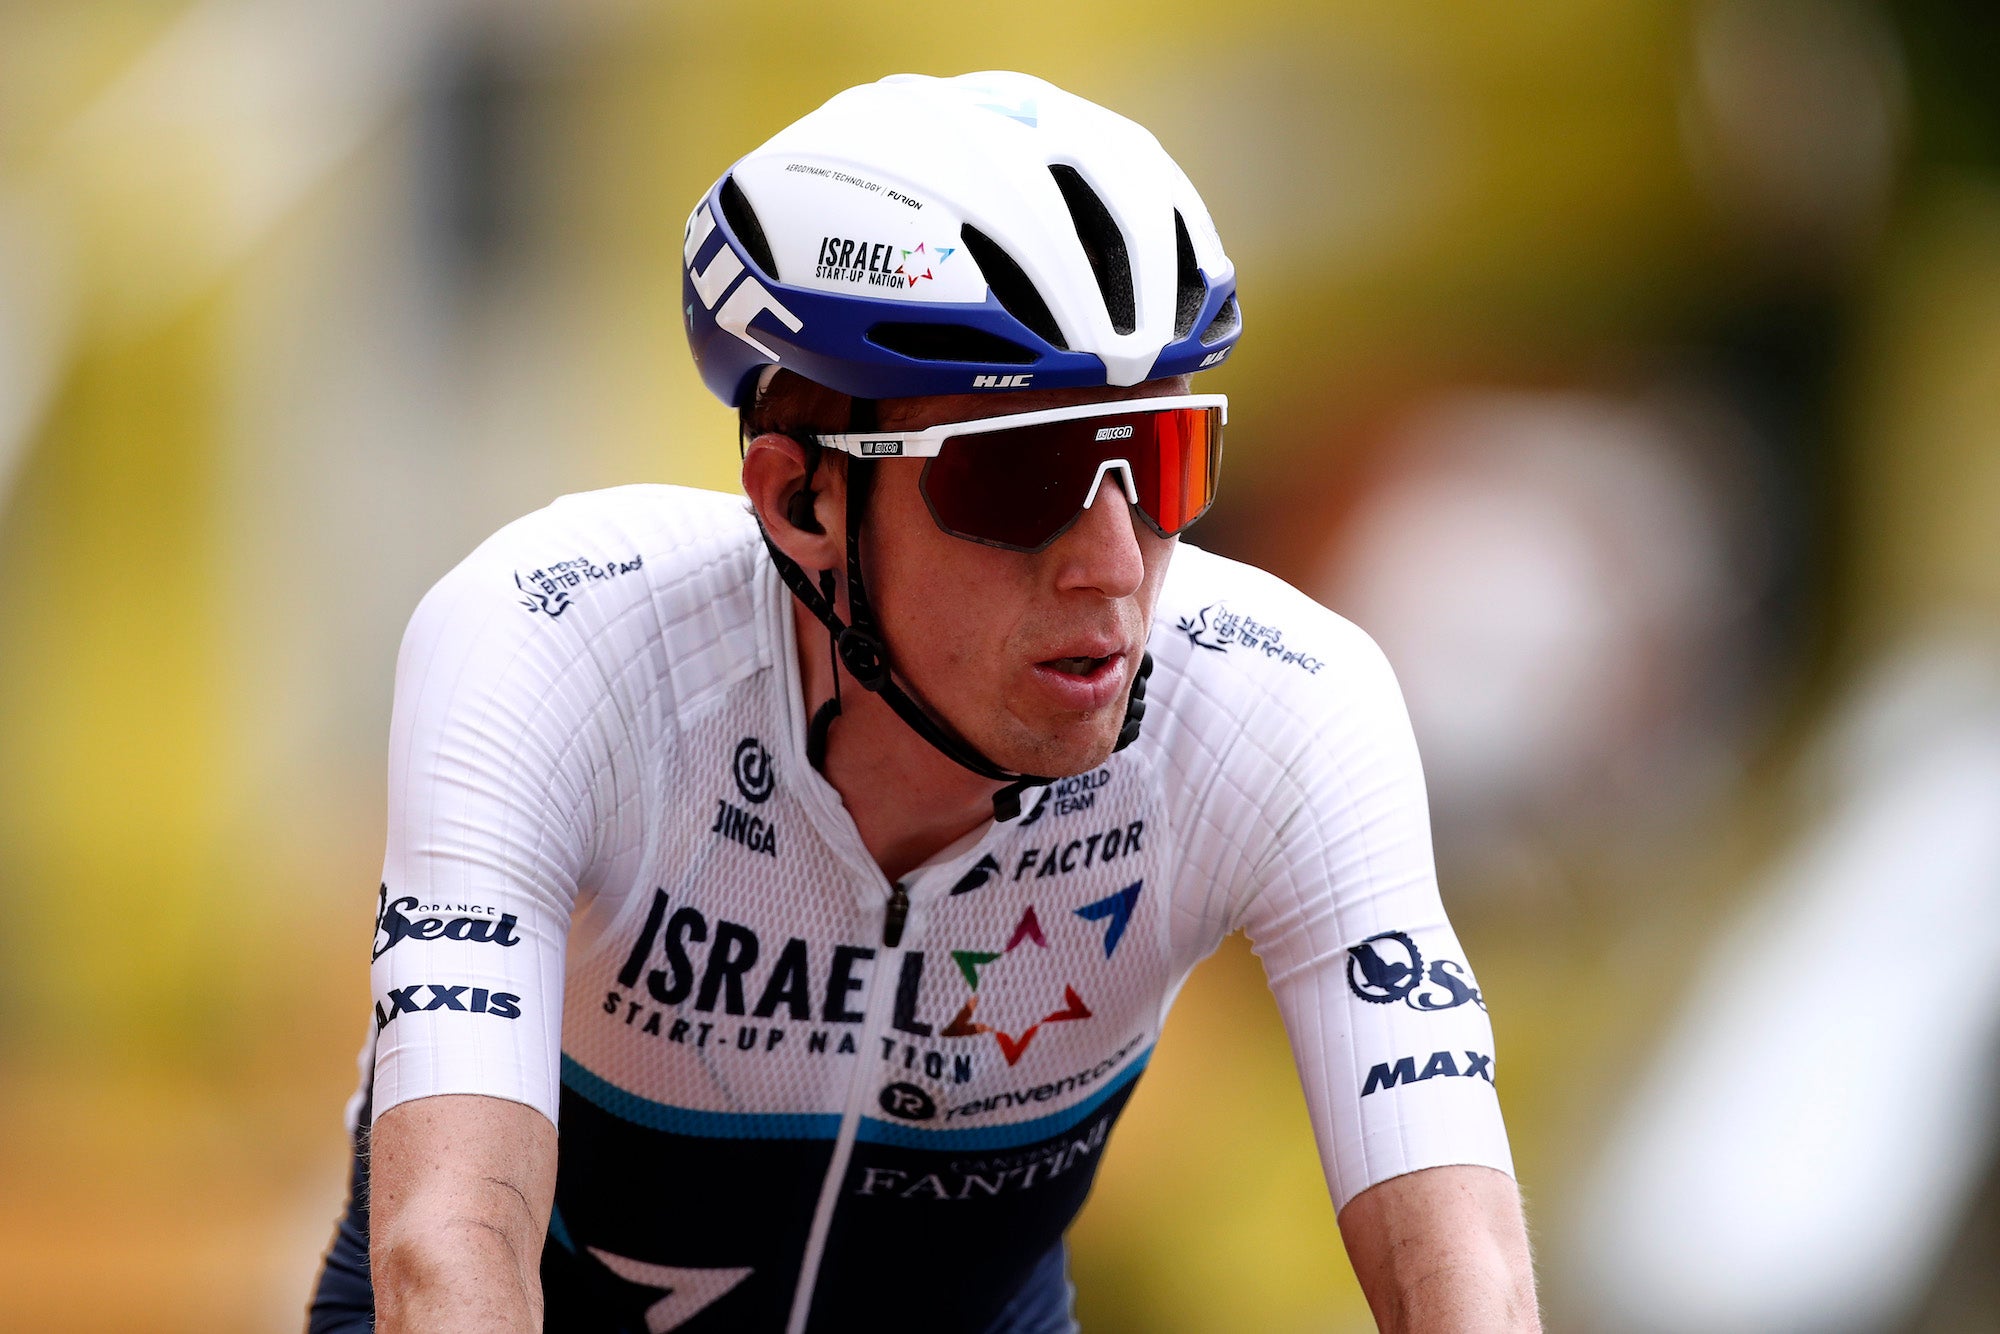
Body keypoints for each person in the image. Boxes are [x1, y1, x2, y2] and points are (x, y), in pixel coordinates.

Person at [308, 70, 1539, 1334]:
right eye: (1022, 476)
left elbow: (1466, 1279)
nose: (1113, 563)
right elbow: (444, 1248)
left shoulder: (1281, 705)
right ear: (802, 503)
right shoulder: (562, 642)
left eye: (1161, 462)